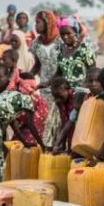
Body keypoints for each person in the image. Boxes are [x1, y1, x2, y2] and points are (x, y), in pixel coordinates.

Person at [0, 64, 45, 185]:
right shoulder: (26, 99)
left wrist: (24, 141)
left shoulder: (12, 95)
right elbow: (31, 125)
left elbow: (12, 121)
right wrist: (42, 144)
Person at [30, 11, 62, 148]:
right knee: (44, 120)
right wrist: (27, 78)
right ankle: (47, 150)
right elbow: (37, 64)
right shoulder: (36, 43)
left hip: (59, 87)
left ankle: (54, 148)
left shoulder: (60, 41)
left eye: (38, 22)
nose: (35, 25)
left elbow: (63, 66)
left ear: (47, 23)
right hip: (44, 89)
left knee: (55, 121)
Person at [52, 67, 102, 154]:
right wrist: (57, 145)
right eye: (90, 81)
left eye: (97, 81)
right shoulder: (85, 101)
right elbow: (67, 126)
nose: (94, 84)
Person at [55, 16, 96, 90]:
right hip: (65, 92)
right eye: (62, 34)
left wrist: (85, 86)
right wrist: (47, 83)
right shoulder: (60, 48)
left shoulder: (84, 48)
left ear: (75, 32)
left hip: (82, 91)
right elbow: (59, 72)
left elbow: (93, 71)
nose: (65, 37)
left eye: (68, 33)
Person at [11, 72, 47, 145]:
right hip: (35, 133)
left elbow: (26, 122)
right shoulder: (40, 99)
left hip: (29, 134)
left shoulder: (25, 99)